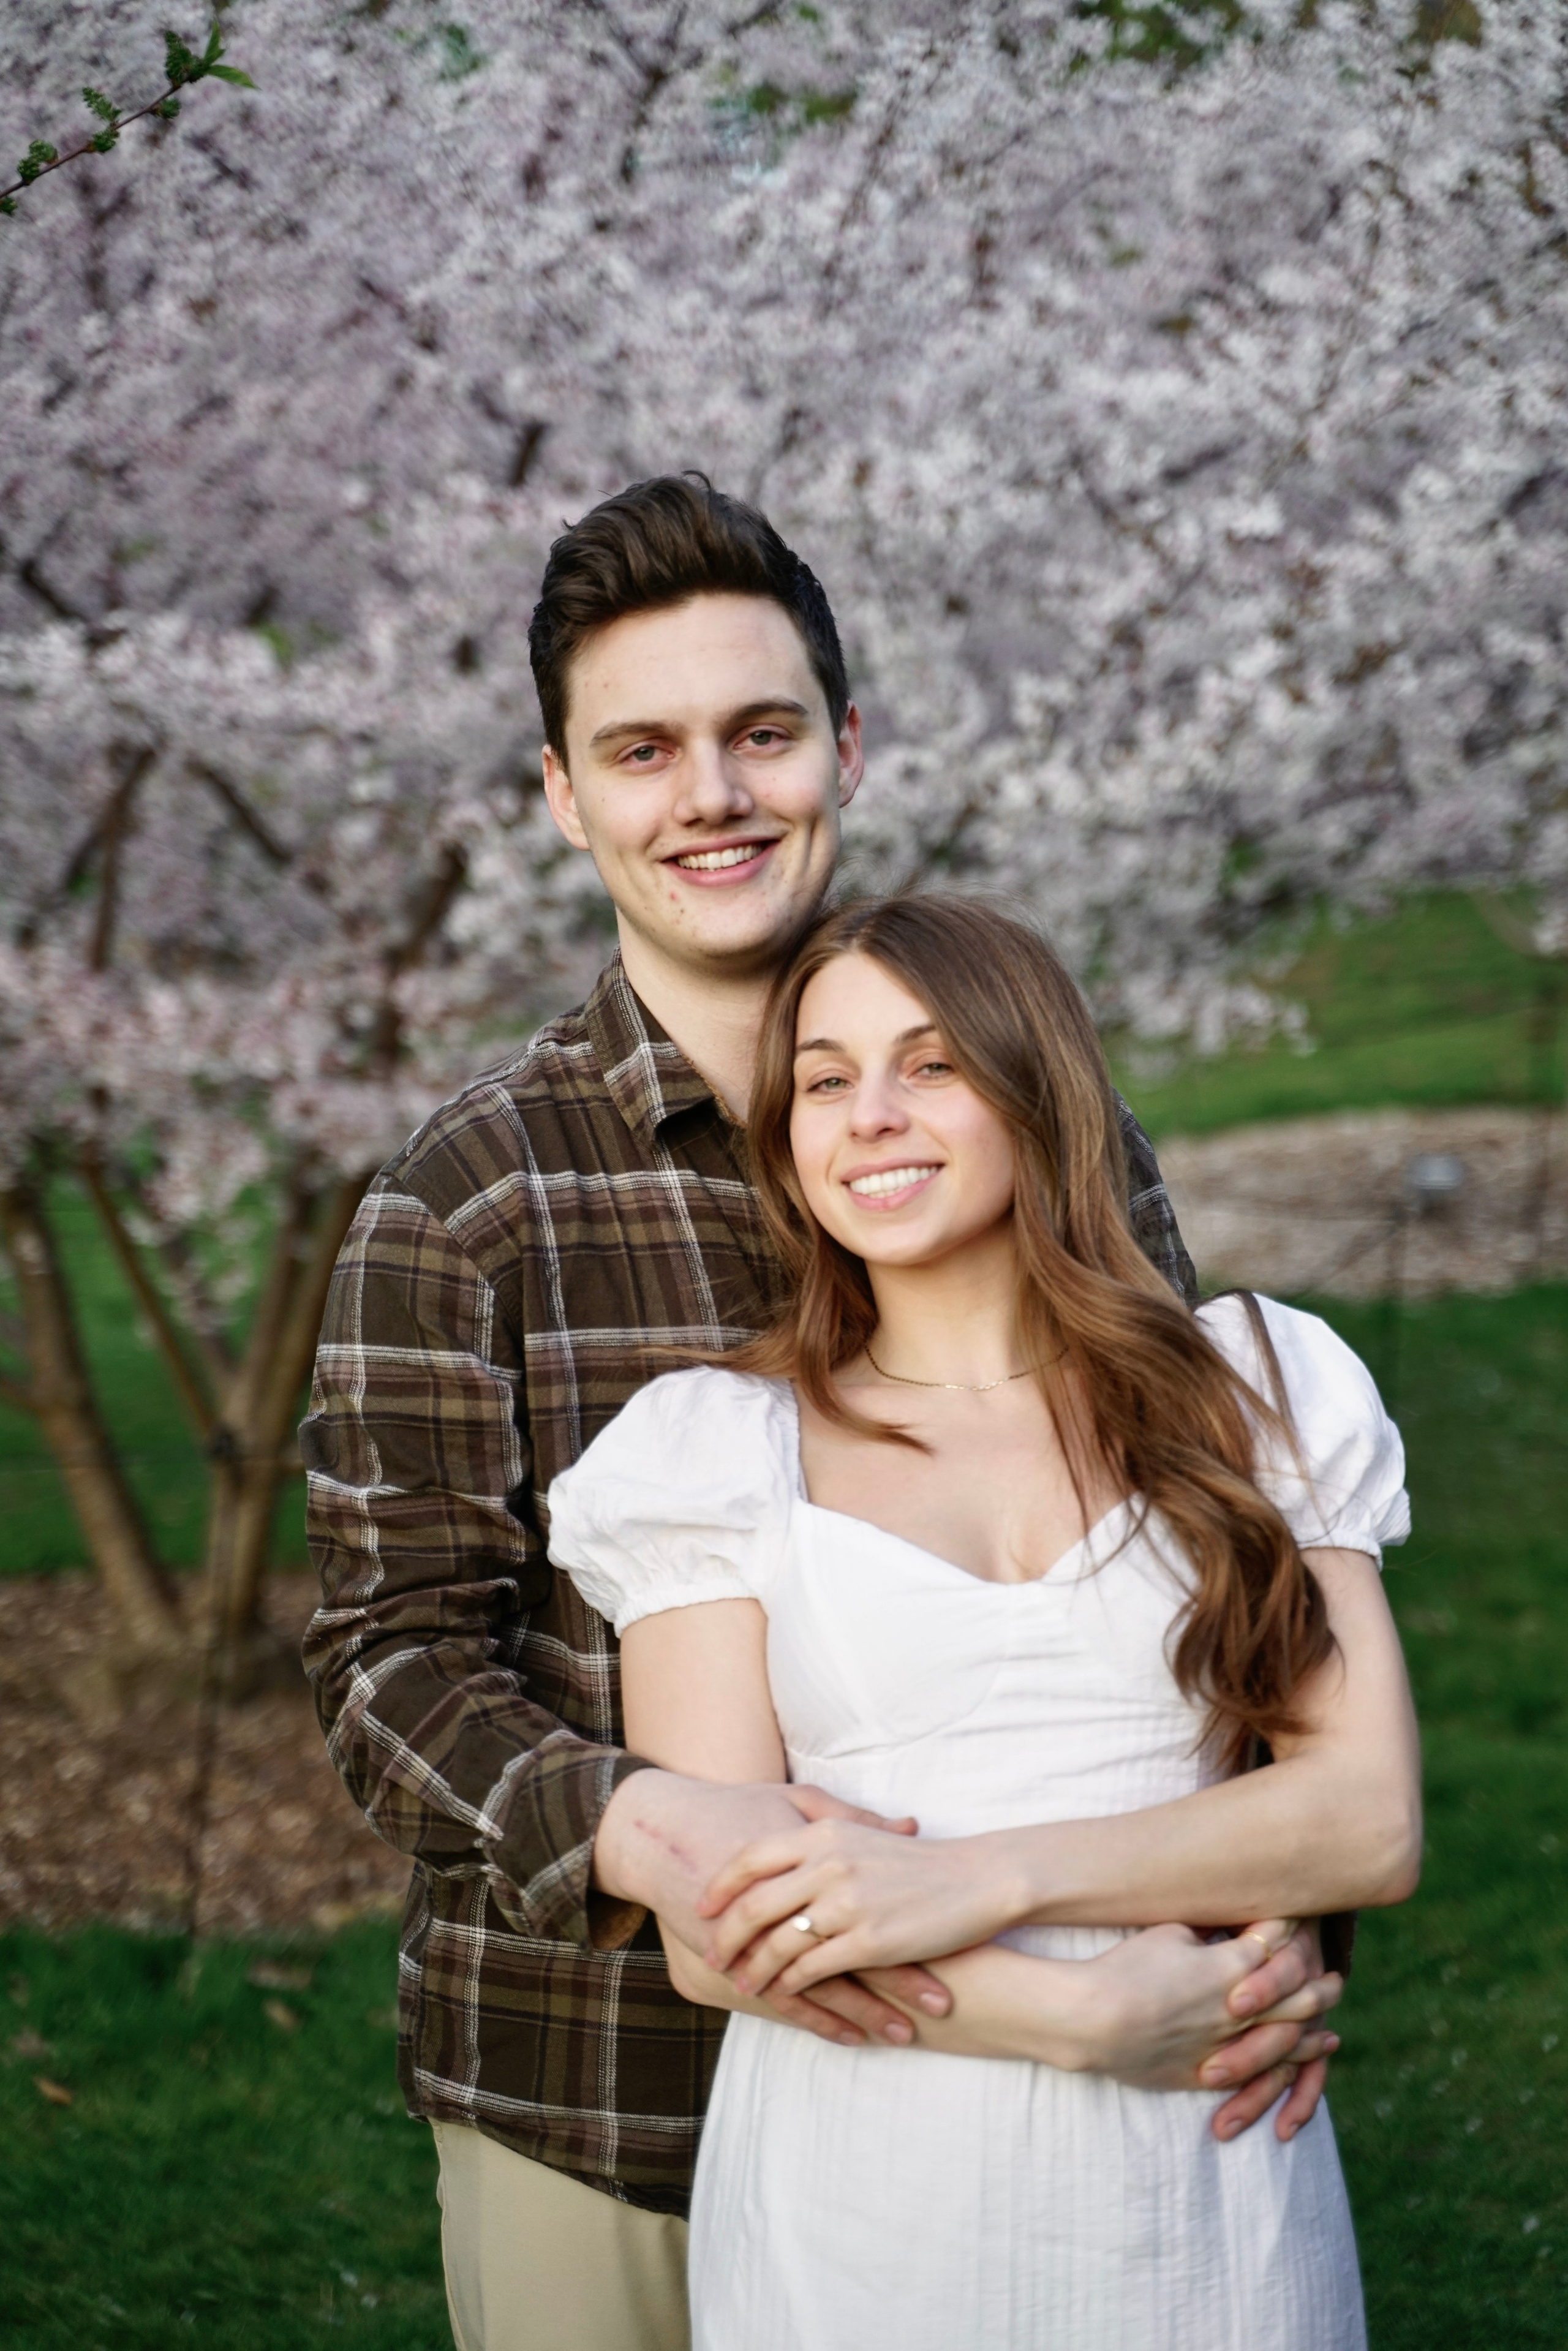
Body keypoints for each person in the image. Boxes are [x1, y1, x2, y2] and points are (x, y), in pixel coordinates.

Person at [302, 478, 1346, 2351]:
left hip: (1083, 2100)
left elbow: (1206, 1543)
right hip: (613, 2096)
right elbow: (391, 1659)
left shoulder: (1049, 1141)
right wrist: (667, 1835)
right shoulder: (466, 1203)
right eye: (642, 750)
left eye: (761, 732)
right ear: (564, 795)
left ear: (844, 748)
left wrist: (1267, 1927)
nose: (711, 793)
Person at [548, 891, 1420, 2350]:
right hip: (871, 2182)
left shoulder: (1251, 1386)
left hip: (1202, 2173)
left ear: (1035, 1087)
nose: (870, 1117)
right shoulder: (712, 1450)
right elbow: (716, 1931)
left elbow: (1364, 1819)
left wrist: (977, 1875)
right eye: (825, 1080)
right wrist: (1076, 2017)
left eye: (931, 1063)